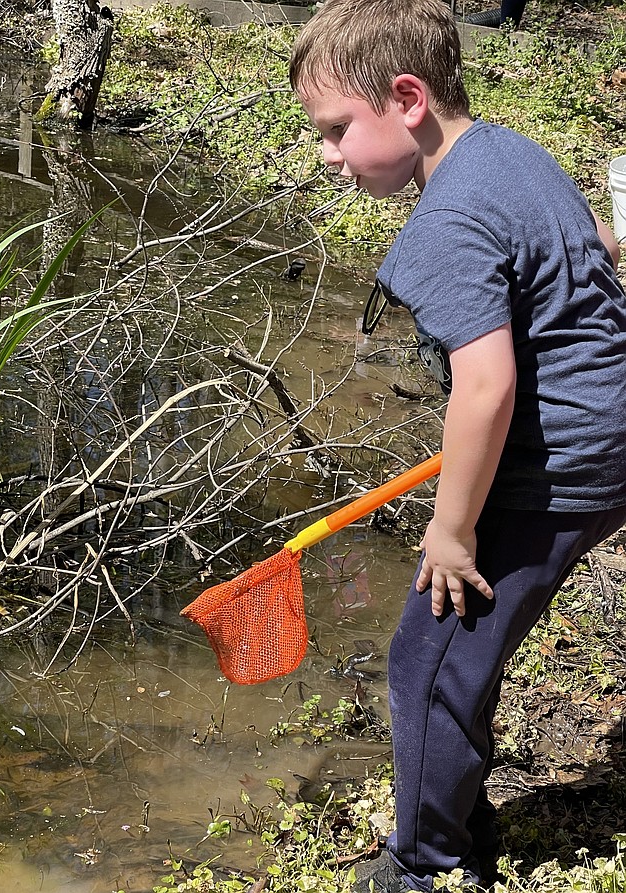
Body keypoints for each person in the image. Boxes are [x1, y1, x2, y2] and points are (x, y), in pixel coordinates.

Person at [288, 0, 626, 890]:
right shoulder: (510, 152)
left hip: (561, 467)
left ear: (407, 98)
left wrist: (450, 527)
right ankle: (457, 815)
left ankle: (429, 863)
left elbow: (488, 386)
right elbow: (593, 244)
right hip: (605, 437)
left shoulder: (441, 227)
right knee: (461, 651)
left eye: (334, 130)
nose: (327, 155)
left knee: (427, 658)